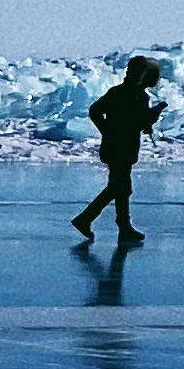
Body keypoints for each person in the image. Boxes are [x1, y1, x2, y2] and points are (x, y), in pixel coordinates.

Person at [73, 54, 167, 246]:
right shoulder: (121, 93)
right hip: (117, 147)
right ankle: (88, 219)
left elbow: (138, 120)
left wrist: (149, 118)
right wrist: (107, 131)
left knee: (120, 188)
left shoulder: (140, 96)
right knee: (118, 188)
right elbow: (96, 110)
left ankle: (120, 225)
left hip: (126, 147)